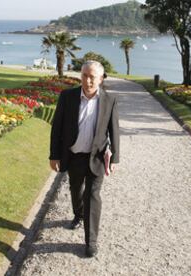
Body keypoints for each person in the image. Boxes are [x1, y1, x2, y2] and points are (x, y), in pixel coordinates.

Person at [49, 60, 120, 258]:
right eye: (85, 76)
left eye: (92, 77)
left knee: (93, 196)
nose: (88, 80)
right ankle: (78, 214)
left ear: (101, 79)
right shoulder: (67, 97)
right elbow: (57, 129)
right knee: (75, 189)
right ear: (80, 76)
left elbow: (114, 131)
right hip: (73, 156)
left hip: (96, 157)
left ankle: (91, 241)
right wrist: (54, 155)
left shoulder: (109, 100)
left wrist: (115, 158)